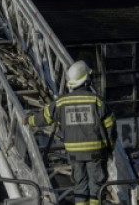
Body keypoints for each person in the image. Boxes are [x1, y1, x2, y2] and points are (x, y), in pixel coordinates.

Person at [24, 60, 116, 205]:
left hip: (74, 154)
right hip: (96, 153)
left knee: (80, 186)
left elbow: (45, 117)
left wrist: (29, 121)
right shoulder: (97, 101)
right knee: (96, 186)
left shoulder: (62, 103)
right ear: (87, 80)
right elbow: (111, 128)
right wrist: (110, 148)